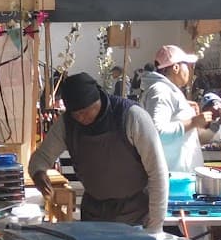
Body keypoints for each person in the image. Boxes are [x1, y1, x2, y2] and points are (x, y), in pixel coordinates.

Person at [29, 73, 168, 231]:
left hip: (135, 213)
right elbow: (41, 157)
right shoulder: (66, 124)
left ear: (98, 99)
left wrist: (155, 228)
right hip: (94, 213)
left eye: (87, 111)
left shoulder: (132, 117)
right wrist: (38, 172)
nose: (82, 117)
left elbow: (158, 173)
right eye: (77, 114)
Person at [139, 44, 205, 174]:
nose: (190, 70)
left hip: (178, 175)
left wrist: (185, 110)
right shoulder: (161, 91)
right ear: (175, 67)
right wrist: (193, 122)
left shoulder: (165, 91)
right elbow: (157, 132)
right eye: (187, 65)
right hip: (173, 177)